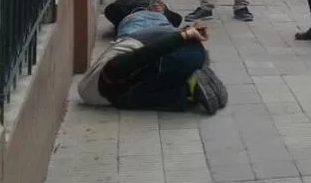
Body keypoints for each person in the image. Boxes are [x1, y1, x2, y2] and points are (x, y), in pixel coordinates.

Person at [78, 19, 227, 115]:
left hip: (180, 53)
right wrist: (187, 34)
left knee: (132, 98)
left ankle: (188, 87)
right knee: (130, 99)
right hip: (181, 53)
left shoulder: (116, 69)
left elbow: (147, 53)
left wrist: (189, 33)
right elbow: (148, 53)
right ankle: (188, 86)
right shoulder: (113, 75)